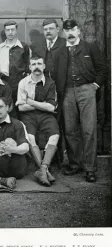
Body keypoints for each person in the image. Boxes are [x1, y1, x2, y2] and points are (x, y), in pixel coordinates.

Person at [53, 19, 107, 183]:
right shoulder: (60, 51)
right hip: (67, 92)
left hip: (86, 90)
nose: (70, 32)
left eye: (73, 29)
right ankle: (75, 164)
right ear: (64, 33)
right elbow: (56, 73)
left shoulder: (90, 47)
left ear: (78, 31)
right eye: (67, 30)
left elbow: (102, 69)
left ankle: (90, 169)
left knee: (89, 130)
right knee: (70, 130)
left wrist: (95, 85)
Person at [16, 56, 59, 186]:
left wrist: (30, 101)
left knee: (55, 136)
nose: (36, 66)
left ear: (44, 66)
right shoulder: (23, 83)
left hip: (46, 116)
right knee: (30, 137)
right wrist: (42, 104)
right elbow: (21, 107)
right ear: (29, 67)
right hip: (28, 116)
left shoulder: (50, 83)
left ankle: (42, 169)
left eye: (39, 64)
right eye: (33, 64)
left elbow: (51, 107)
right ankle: (44, 170)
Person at [0, 20, 30, 106]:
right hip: (3, 82)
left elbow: (28, 65)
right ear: (5, 31)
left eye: (12, 30)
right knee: (5, 106)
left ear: (16, 30)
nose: (10, 32)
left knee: (20, 106)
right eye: (7, 30)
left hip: (20, 82)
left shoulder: (24, 47)